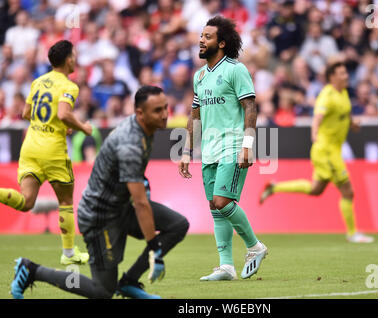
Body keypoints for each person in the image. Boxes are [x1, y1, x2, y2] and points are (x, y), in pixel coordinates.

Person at [11, 86, 190, 299]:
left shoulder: (145, 128)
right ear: (140, 114)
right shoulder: (130, 143)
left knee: (177, 225)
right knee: (102, 291)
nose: (164, 115)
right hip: (99, 217)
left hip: (120, 206)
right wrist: (154, 250)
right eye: (157, 110)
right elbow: (141, 203)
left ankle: (129, 282)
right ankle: (31, 270)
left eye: (165, 108)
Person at [179, 16, 268, 281]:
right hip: (210, 150)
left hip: (232, 145)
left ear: (222, 42)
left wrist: (248, 145)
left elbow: (250, 108)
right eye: (201, 35)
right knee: (214, 207)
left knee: (222, 201)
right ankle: (226, 266)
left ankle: (255, 246)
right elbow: (194, 116)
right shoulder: (200, 77)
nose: (201, 40)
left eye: (207, 36)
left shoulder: (235, 69)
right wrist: (186, 150)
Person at [259, 61, 374, 244]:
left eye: (346, 73)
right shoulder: (326, 96)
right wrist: (314, 134)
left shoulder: (343, 92)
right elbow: (317, 117)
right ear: (332, 77)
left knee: (316, 189)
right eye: (342, 73)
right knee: (348, 191)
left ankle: (274, 187)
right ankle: (352, 233)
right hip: (326, 151)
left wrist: (352, 124)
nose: (346, 76)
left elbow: (343, 113)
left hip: (332, 150)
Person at [0, 40, 92, 264]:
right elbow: (63, 114)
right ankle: (69, 254)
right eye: (75, 55)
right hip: (52, 150)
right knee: (66, 202)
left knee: (27, 202)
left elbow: (26, 113)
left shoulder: (38, 82)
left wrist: (52, 123)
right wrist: (83, 127)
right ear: (69, 59)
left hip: (30, 146)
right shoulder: (69, 86)